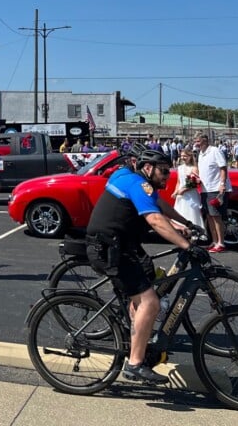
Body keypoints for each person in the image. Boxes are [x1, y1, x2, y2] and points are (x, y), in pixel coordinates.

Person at [86, 148, 202, 385]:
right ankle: (135, 364)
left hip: (119, 245)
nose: (166, 176)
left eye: (169, 172)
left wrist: (184, 223)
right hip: (111, 250)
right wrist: (187, 246)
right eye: (162, 171)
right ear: (147, 168)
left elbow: (158, 204)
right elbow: (154, 219)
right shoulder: (137, 183)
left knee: (143, 290)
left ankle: (137, 336)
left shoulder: (126, 176)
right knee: (150, 302)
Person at [194, 133, 230, 253]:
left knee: (216, 216)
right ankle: (214, 241)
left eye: (198, 141)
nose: (196, 143)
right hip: (205, 189)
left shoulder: (215, 151)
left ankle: (221, 243)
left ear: (204, 140)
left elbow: (223, 168)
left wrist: (222, 184)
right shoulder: (200, 154)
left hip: (215, 188)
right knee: (209, 216)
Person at [172, 149, 204, 229]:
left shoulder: (194, 168)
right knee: (180, 212)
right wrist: (175, 192)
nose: (183, 157)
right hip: (181, 194)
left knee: (191, 212)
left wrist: (184, 190)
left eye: (185, 156)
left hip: (190, 194)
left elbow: (195, 183)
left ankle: (194, 231)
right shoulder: (179, 168)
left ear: (190, 156)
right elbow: (178, 182)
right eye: (182, 156)